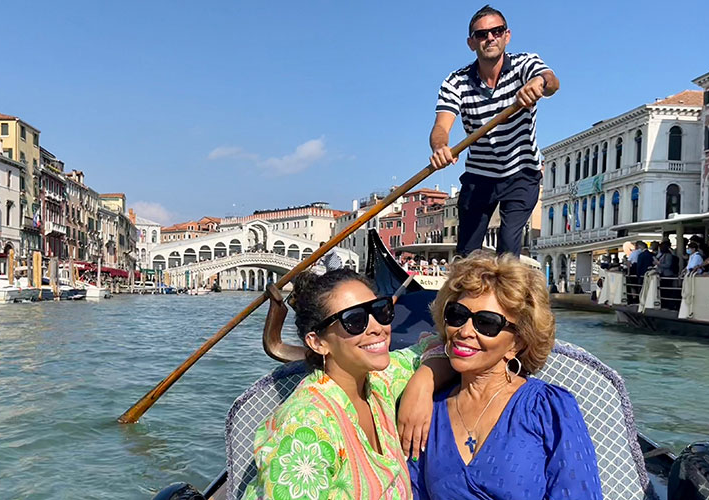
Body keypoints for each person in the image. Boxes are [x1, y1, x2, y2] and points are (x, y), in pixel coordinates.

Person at [406, 253, 602, 499]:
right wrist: (423, 379)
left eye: (486, 323)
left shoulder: (547, 409)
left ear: (517, 342)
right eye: (457, 315)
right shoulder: (427, 410)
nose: (464, 331)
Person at [244, 269, 450, 499]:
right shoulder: (305, 428)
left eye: (381, 311)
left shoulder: (378, 383)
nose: (377, 327)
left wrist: (422, 382)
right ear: (318, 342)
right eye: (355, 320)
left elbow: (441, 346)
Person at [429, 5, 559, 257]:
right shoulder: (456, 82)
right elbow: (441, 127)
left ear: (506, 35)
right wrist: (440, 147)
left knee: (508, 250)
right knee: (466, 255)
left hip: (522, 172)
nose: (490, 37)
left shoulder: (525, 65)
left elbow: (552, 81)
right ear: (471, 43)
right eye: (482, 34)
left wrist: (538, 83)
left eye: (496, 31)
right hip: (480, 175)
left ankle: (507, 296)